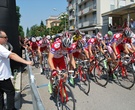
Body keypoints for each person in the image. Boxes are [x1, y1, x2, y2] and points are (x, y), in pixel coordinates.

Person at [0, 30, 33, 110]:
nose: (7, 39)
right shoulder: (0, 48)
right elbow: (12, 55)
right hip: (2, 77)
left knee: (0, 94)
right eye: (5, 37)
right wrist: (26, 62)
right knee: (11, 92)